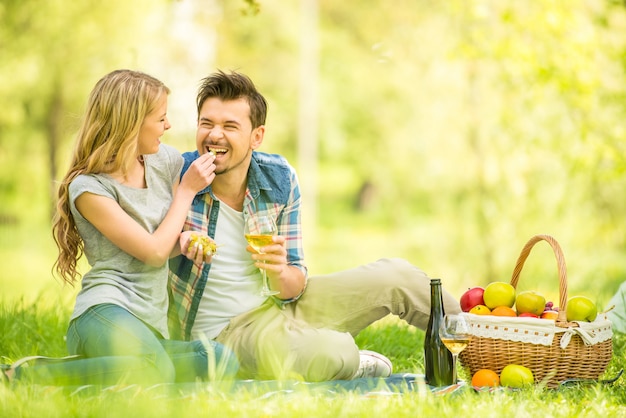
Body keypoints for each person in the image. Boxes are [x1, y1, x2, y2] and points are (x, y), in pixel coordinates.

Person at [167, 70, 461, 382]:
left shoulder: (277, 179)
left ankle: (487, 344)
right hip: (226, 335)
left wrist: (278, 272)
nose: (215, 135)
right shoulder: (175, 175)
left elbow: (294, 286)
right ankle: (350, 362)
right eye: (207, 123)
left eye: (230, 126)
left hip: (280, 304)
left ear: (257, 136)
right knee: (333, 352)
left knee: (397, 277)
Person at [1, 69, 238, 386]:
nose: (167, 126)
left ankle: (108, 373)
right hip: (105, 311)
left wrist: (183, 240)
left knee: (218, 360)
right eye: (160, 118)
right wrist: (185, 190)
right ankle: (23, 377)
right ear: (131, 124)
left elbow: (160, 239)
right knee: (156, 371)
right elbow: (152, 252)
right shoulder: (89, 189)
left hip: (149, 323)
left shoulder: (163, 161)